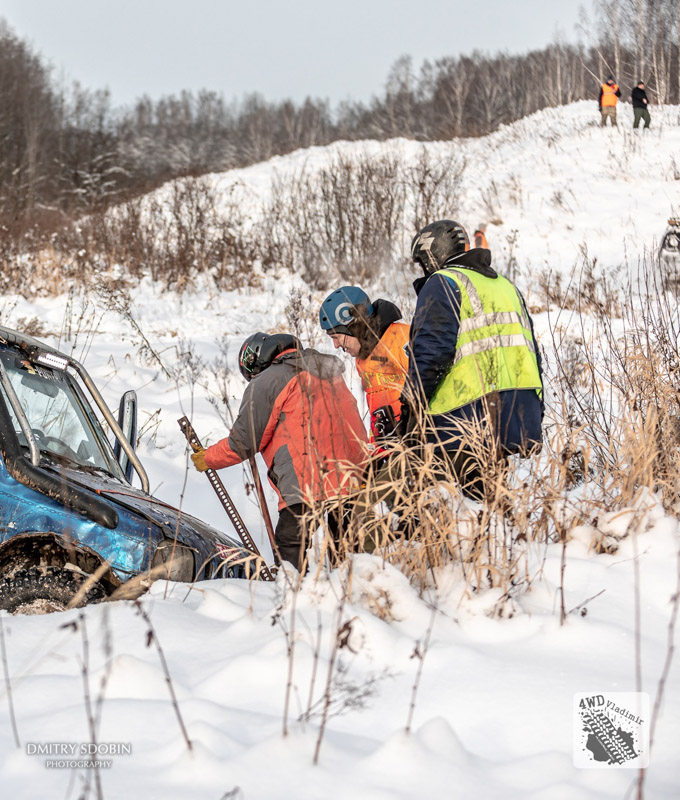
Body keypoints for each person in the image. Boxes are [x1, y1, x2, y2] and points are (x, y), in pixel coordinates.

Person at [190, 333, 367, 572]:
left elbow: (244, 441)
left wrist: (207, 458)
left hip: (307, 478)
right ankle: (351, 598)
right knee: (347, 551)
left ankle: (294, 601)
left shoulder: (268, 380)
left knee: (289, 547)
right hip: (353, 472)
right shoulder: (325, 371)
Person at [401, 219, 544, 501]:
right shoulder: (506, 286)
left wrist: (411, 403)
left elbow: (432, 352)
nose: (423, 269)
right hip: (519, 412)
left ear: (434, 254)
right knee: (491, 506)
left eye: (422, 262)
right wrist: (537, 409)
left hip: (462, 420)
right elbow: (533, 352)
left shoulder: (442, 283)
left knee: (429, 505)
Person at [319, 286, 410, 443]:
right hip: (390, 448)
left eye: (336, 337)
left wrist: (411, 427)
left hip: (419, 444)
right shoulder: (362, 358)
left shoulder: (403, 339)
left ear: (354, 327)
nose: (335, 345)